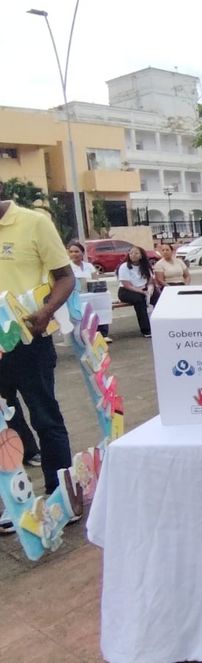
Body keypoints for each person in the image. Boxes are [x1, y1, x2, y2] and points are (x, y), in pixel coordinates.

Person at [0, 184, 76, 500]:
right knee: (4, 427)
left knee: (44, 415)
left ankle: (61, 492)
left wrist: (46, 310)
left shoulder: (34, 222)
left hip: (30, 339)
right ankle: (13, 503)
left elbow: (65, 276)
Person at [67, 240, 111, 341]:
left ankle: (102, 334)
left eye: (76, 251)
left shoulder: (89, 266)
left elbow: (95, 279)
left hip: (90, 293)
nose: (74, 254)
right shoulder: (67, 268)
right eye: (71, 252)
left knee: (100, 305)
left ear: (82, 253)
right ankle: (84, 335)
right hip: (74, 295)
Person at [116, 246, 158, 338]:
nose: (133, 255)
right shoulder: (124, 266)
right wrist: (142, 292)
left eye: (136, 253)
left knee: (157, 297)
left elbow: (150, 281)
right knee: (139, 300)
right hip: (127, 290)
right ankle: (146, 330)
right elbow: (126, 284)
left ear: (141, 255)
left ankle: (158, 324)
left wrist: (150, 290)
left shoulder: (146, 266)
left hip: (143, 289)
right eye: (131, 253)